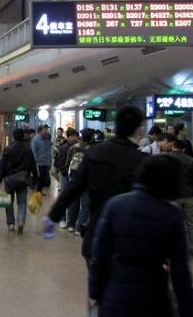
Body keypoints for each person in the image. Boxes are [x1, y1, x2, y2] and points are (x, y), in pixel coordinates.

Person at [89, 155, 193, 317]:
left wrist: (94, 291)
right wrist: (188, 314)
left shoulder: (115, 205)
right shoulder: (172, 215)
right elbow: (180, 271)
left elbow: (99, 255)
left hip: (115, 292)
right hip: (153, 296)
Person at [46, 106, 148, 261]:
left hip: (96, 235)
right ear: (137, 129)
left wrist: (53, 217)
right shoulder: (141, 161)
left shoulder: (95, 152)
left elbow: (74, 188)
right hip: (127, 242)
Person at [0, 128, 37, 234]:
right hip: (23, 178)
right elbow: (33, 165)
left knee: (8, 202)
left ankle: (11, 224)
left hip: (9, 179)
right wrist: (35, 179)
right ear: (23, 136)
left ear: (13, 136)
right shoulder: (28, 149)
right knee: (22, 202)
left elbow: (2, 164)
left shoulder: (8, 148)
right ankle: (20, 221)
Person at [168, 139, 193, 257]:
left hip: (173, 196)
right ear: (183, 148)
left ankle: (175, 248)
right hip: (189, 195)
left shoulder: (167, 159)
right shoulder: (191, 160)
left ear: (173, 146)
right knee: (192, 223)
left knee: (173, 223)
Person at [65, 128, 94, 236]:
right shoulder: (94, 149)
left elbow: (67, 163)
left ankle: (71, 225)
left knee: (74, 203)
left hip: (74, 179)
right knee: (85, 204)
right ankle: (80, 227)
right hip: (88, 181)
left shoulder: (73, 148)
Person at [54, 128, 79, 228]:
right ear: (69, 137)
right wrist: (66, 174)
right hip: (65, 177)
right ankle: (62, 219)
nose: (76, 138)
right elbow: (60, 163)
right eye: (74, 136)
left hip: (75, 177)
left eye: (76, 136)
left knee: (74, 200)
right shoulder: (64, 148)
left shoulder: (78, 147)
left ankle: (71, 221)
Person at [31, 126, 52, 193]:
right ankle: (38, 191)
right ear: (40, 131)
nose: (46, 131)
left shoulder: (47, 138)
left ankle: (39, 191)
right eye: (44, 130)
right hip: (39, 162)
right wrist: (35, 162)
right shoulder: (35, 140)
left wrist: (50, 161)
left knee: (44, 178)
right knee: (41, 177)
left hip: (46, 161)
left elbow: (49, 150)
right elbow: (34, 151)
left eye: (46, 130)